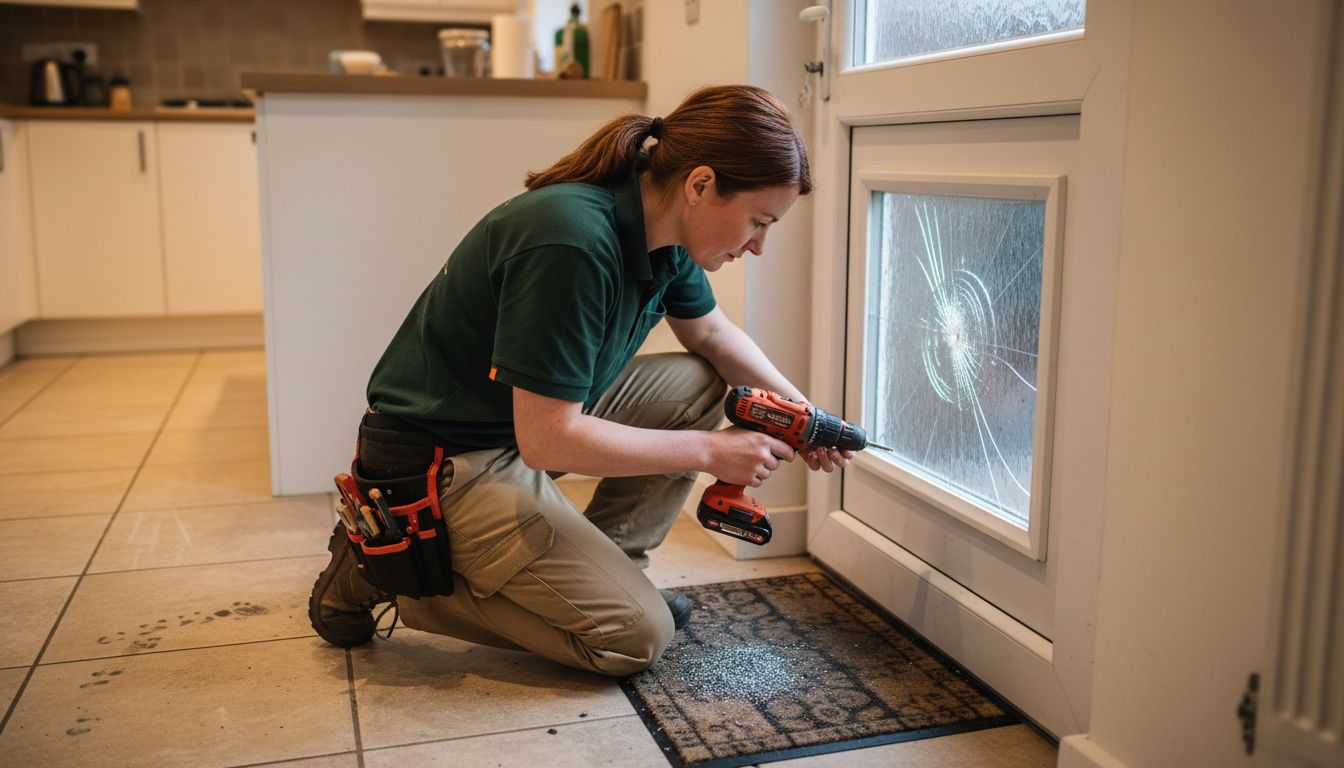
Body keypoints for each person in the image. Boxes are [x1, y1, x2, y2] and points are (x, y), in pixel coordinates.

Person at [308, 84, 852, 677]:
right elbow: (548, 440)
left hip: (517, 427)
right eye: (757, 220)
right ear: (700, 185)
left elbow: (716, 338)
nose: (759, 245)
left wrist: (808, 418)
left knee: (702, 382)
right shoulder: (571, 239)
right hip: (444, 460)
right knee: (635, 640)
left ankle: (611, 565)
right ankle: (384, 573)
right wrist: (713, 450)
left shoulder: (664, 237)